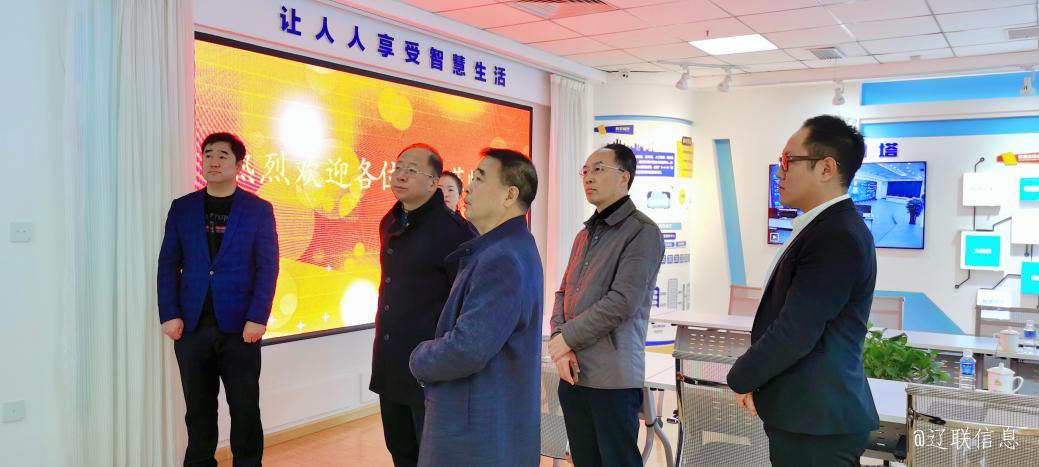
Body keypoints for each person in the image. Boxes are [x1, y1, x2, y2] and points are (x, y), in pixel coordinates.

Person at [726, 115, 879, 467]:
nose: (779, 172)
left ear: (826, 168)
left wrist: (741, 378)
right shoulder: (825, 227)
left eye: (788, 160)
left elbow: (795, 331)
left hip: (818, 421)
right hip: (808, 415)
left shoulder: (836, 235)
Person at [409, 148, 543, 466]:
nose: (468, 188)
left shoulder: (501, 259)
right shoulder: (512, 246)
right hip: (491, 428)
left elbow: (467, 349)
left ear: (509, 195)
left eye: (480, 179)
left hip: (476, 436)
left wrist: (418, 358)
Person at [157, 132, 279, 467]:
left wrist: (258, 317)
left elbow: (267, 266)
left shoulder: (258, 210)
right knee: (198, 410)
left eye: (223, 155)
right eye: (208, 154)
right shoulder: (182, 208)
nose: (213, 160)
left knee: (244, 408)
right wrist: (169, 313)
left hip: (240, 329)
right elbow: (168, 262)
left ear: (238, 165)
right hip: (191, 327)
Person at [547, 143, 664, 467]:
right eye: (585, 171)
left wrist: (565, 339)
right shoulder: (584, 235)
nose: (588, 177)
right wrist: (561, 344)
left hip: (612, 378)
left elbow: (622, 302)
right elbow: (563, 293)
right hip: (573, 374)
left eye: (598, 169)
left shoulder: (642, 232)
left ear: (624, 177)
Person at [369, 143, 476, 467]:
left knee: (432, 457)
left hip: (430, 367)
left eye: (412, 170)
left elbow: (466, 303)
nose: (400, 175)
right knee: (400, 449)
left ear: (433, 183)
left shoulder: (454, 232)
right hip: (391, 361)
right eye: (398, 167)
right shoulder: (391, 221)